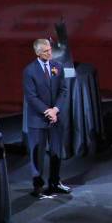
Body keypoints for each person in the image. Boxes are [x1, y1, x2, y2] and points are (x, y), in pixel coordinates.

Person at [23, 39, 71, 197]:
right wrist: (47, 111)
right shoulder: (29, 71)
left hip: (56, 118)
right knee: (38, 154)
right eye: (45, 51)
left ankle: (55, 182)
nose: (49, 53)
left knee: (56, 152)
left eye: (50, 50)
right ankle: (38, 186)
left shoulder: (58, 66)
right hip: (38, 120)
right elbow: (31, 97)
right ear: (37, 53)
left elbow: (63, 90)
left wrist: (56, 110)